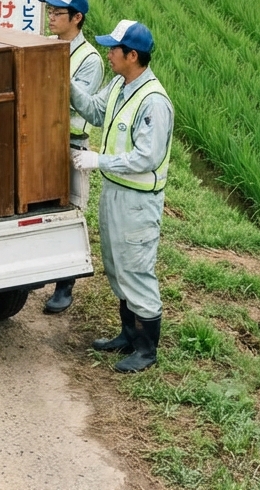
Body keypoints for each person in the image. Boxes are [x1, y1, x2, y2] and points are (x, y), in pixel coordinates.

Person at [69, 20, 173, 373]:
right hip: (114, 191)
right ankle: (128, 335)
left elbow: (147, 157)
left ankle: (146, 348)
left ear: (133, 55)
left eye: (114, 49)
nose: (108, 54)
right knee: (116, 264)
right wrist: (66, 84)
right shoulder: (119, 84)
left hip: (137, 201)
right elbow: (95, 110)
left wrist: (99, 160)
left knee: (136, 268)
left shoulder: (153, 102)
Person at [38, 0, 103, 315]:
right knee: (43, 206)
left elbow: (81, 106)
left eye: (57, 12)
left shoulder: (90, 60)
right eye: (49, 11)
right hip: (44, 138)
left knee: (71, 211)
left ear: (77, 18)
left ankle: (65, 285)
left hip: (72, 143)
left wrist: (56, 71)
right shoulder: (47, 43)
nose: (51, 17)